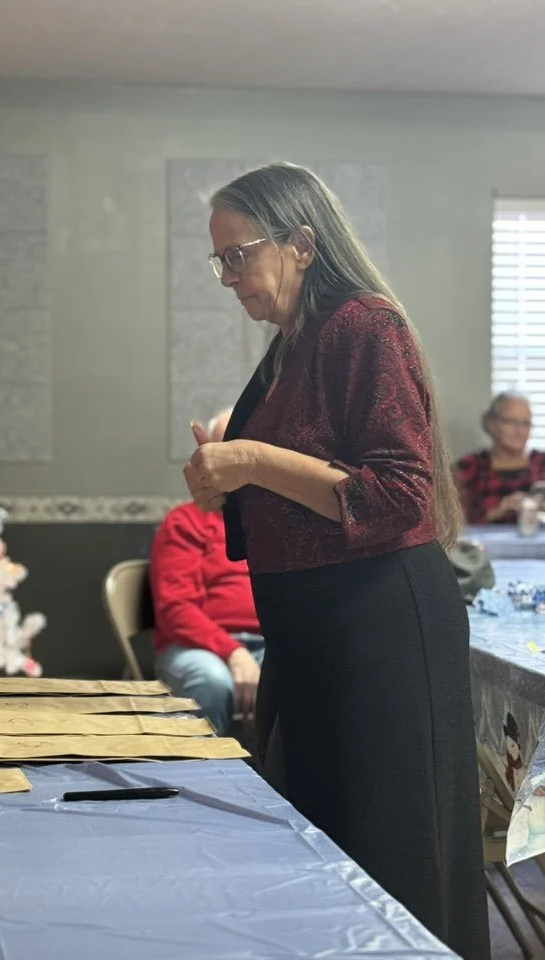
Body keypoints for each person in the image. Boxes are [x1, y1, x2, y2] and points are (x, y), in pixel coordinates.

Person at [184, 164, 490, 959]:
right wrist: (227, 480)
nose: (229, 278)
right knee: (327, 861)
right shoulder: (293, 346)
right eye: (218, 260)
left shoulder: (365, 325)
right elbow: (303, 487)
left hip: (378, 630)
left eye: (239, 255)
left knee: (391, 868)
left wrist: (249, 458)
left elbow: (396, 496)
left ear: (304, 244)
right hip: (316, 631)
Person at [151, 409, 264, 736]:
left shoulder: (275, 528)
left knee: (306, 678)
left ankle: (278, 786)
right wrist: (234, 652)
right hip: (194, 648)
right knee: (210, 681)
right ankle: (206, 781)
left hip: (270, 643)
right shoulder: (184, 522)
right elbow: (176, 610)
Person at [456, 392, 545, 524]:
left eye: (526, 424)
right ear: (491, 423)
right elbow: (451, 522)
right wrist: (499, 510)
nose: (520, 431)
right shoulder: (468, 468)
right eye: (511, 422)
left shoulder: (541, 464)